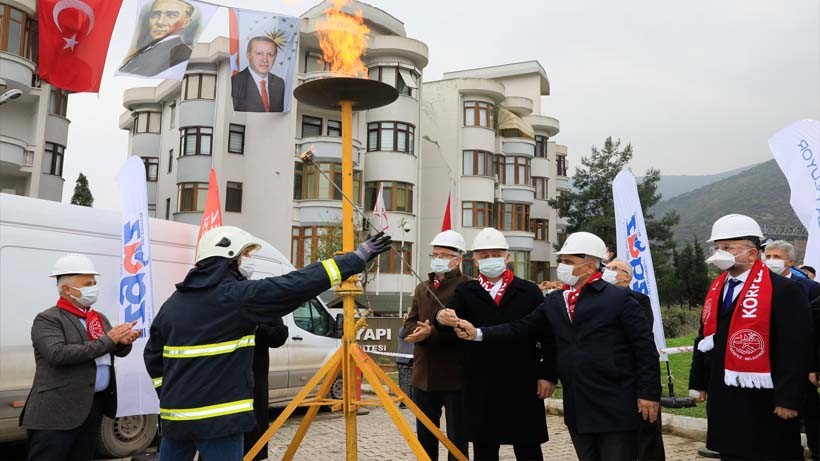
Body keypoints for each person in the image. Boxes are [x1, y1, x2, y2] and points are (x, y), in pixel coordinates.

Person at [144, 226, 390, 460]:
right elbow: (295, 285)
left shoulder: (173, 304)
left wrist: (169, 394)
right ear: (230, 259)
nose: (249, 260)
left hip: (175, 421)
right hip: (220, 423)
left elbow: (152, 356)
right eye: (246, 255)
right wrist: (355, 259)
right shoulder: (235, 297)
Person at [448, 231, 661, 461]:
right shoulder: (556, 300)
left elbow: (644, 347)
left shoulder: (618, 299)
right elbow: (522, 326)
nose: (561, 266)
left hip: (615, 402)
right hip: (578, 402)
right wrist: (478, 333)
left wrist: (648, 393)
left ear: (590, 266)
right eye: (562, 261)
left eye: (568, 262)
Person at [689, 214, 813, 461]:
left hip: (766, 400)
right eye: (717, 247)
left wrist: (788, 398)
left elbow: (796, 347)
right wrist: (699, 381)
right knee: (731, 453)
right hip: (725, 396)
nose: (719, 252)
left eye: (727, 247)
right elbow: (705, 337)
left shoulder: (783, 290)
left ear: (752, 254)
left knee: (772, 453)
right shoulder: (717, 288)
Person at [433, 227, 557, 461]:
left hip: (522, 380)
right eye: (484, 255)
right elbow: (446, 320)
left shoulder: (529, 291)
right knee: (484, 448)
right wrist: (441, 318)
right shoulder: (466, 290)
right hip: (481, 382)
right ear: (475, 260)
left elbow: (547, 336)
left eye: (496, 254)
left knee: (528, 447)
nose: (490, 259)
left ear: (507, 257)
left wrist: (548, 374)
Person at [21, 253, 140, 461]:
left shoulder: (97, 317)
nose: (94, 287)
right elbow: (57, 354)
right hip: (57, 412)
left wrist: (123, 343)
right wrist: (110, 340)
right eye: (87, 284)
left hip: (91, 406)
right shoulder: (48, 319)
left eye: (94, 282)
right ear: (66, 289)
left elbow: (108, 350)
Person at [402, 230, 471, 460]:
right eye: (435, 254)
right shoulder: (423, 287)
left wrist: (431, 334)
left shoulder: (468, 288)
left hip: (455, 375)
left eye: (443, 254)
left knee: (457, 436)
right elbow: (410, 321)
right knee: (425, 435)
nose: (437, 258)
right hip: (423, 375)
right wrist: (415, 332)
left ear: (458, 259)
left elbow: (469, 328)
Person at [762, 240, 820, 460]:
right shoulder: (759, 285)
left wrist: (813, 365)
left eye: (776, 256)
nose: (770, 261)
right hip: (770, 363)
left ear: (791, 261)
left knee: (809, 410)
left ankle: (816, 450)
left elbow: (814, 329)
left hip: (802, 361)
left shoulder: (809, 287)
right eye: (767, 256)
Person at [605, 259, 666, 461]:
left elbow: (642, 336)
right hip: (611, 379)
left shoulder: (639, 300)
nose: (609, 272)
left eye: (614, 269)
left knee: (647, 432)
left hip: (636, 373)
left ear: (627, 276)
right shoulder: (600, 299)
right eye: (607, 268)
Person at [245, 314, 289, 459]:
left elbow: (279, 335)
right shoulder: (224, 299)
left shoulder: (263, 305)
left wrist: (259, 328)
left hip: (255, 382)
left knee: (254, 431)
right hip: (225, 382)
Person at [119, 0, 195, 77]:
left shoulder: (183, 53)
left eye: (171, 15)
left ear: (186, 22)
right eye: (155, 15)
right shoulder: (146, 50)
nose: (160, 22)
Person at [231, 36, 286, 113]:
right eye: (259, 53)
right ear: (248, 55)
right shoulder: (235, 81)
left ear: (275, 57)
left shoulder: (279, 83)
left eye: (270, 54)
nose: (265, 59)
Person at [396, 318, 414, 409]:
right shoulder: (402, 331)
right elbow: (402, 333)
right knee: (404, 382)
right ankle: (404, 402)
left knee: (412, 382)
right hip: (403, 361)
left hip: (413, 360)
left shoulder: (416, 332)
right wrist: (405, 324)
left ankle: (411, 400)